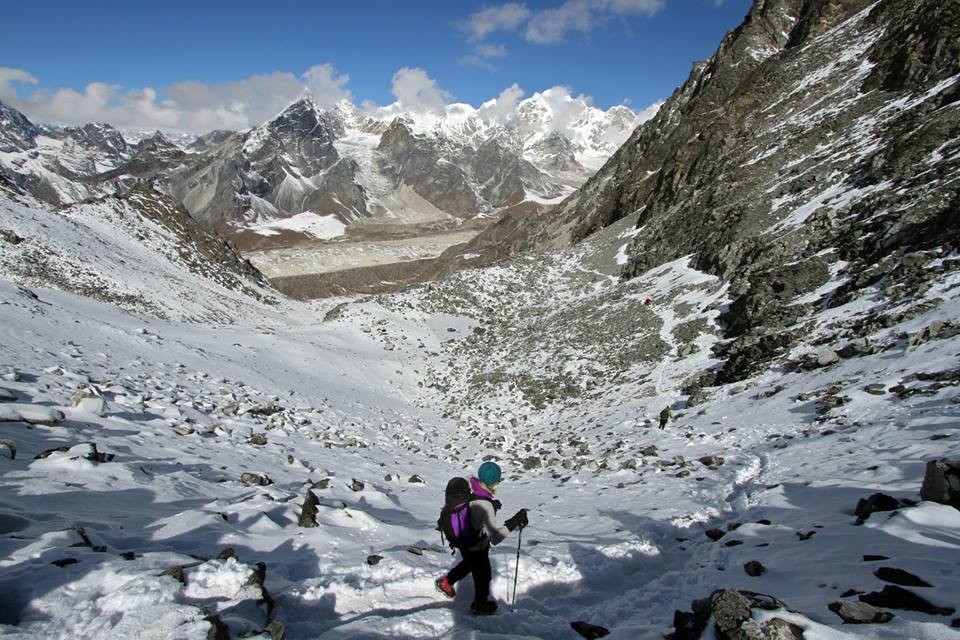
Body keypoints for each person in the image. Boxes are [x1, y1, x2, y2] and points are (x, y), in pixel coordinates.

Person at [435, 461, 528, 615]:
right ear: (494, 481)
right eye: (498, 480)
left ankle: (446, 582)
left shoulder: (472, 493)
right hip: (477, 545)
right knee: (483, 575)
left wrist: (491, 504)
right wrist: (513, 523)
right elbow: (495, 538)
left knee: (469, 563)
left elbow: (476, 511)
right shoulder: (485, 505)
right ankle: (480, 604)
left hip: (464, 542)